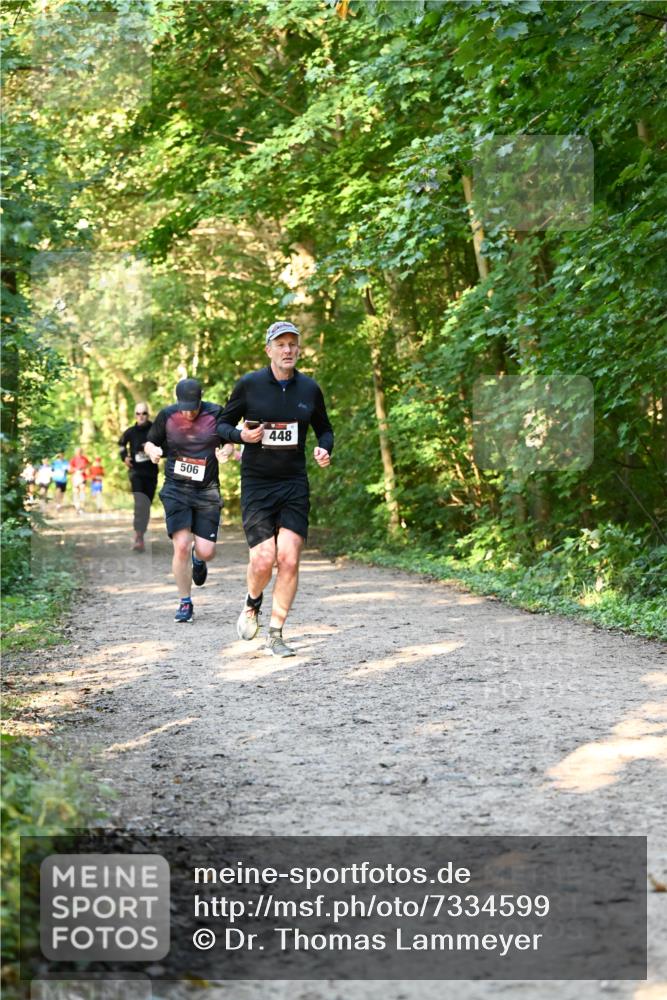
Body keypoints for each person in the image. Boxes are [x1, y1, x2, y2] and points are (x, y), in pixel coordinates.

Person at [217, 320, 334, 657]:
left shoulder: (309, 389)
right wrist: (241, 436)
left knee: (289, 559)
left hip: (294, 483)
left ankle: (276, 634)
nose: (287, 350)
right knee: (263, 559)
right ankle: (252, 602)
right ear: (268, 349)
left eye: (292, 344)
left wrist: (324, 448)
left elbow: (325, 429)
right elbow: (222, 425)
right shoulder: (250, 385)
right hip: (257, 483)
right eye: (281, 344)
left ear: (299, 350)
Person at [144, 378, 227, 623]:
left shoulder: (216, 413)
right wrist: (152, 451)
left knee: (207, 551)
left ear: (201, 400)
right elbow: (150, 441)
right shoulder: (168, 415)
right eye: (184, 408)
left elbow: (229, 440)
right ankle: (185, 602)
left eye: (193, 408)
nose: (188, 413)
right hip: (176, 488)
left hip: (207, 490)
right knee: (181, 545)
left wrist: (226, 451)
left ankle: (198, 559)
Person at [118, 403, 159, 551]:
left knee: (146, 504)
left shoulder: (155, 429)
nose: (141, 416)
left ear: (148, 414)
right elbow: (121, 444)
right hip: (136, 473)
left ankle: (141, 533)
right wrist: (124, 457)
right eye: (138, 413)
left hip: (151, 473)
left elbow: (166, 444)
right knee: (140, 502)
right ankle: (139, 535)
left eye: (144, 413)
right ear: (135, 415)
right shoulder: (130, 432)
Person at [69, 447, 90, 514]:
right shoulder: (73, 459)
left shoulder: (85, 459)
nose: (78, 452)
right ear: (75, 452)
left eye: (80, 451)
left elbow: (88, 465)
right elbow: (70, 469)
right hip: (76, 477)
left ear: (81, 452)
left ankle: (82, 507)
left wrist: (84, 470)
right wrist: (75, 470)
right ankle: (77, 507)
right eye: (77, 451)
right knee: (76, 492)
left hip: (83, 477)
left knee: (82, 491)